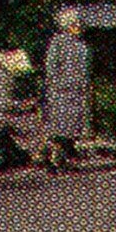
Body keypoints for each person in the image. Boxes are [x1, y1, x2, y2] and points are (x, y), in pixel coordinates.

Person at [38, 9, 91, 169]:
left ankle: (58, 157)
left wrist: (84, 86)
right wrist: (55, 84)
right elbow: (51, 66)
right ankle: (53, 158)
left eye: (79, 23)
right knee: (59, 126)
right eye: (76, 23)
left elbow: (85, 69)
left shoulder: (82, 45)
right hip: (60, 91)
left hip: (77, 91)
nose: (79, 26)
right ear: (68, 25)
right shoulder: (58, 42)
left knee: (71, 126)